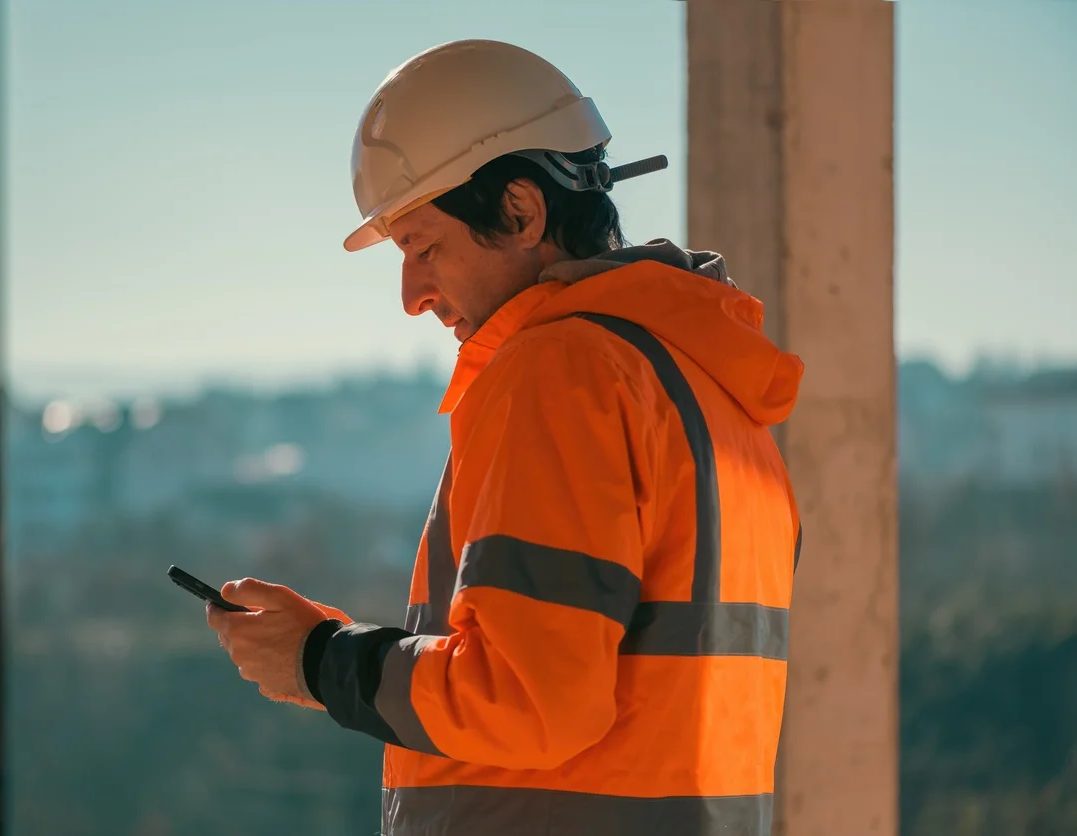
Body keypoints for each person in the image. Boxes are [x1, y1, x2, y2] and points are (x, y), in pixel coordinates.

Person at [206, 39, 805, 836]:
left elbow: (529, 701)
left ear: (521, 211)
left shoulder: (561, 371)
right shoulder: (708, 395)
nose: (412, 295)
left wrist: (319, 660)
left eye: (423, 247)